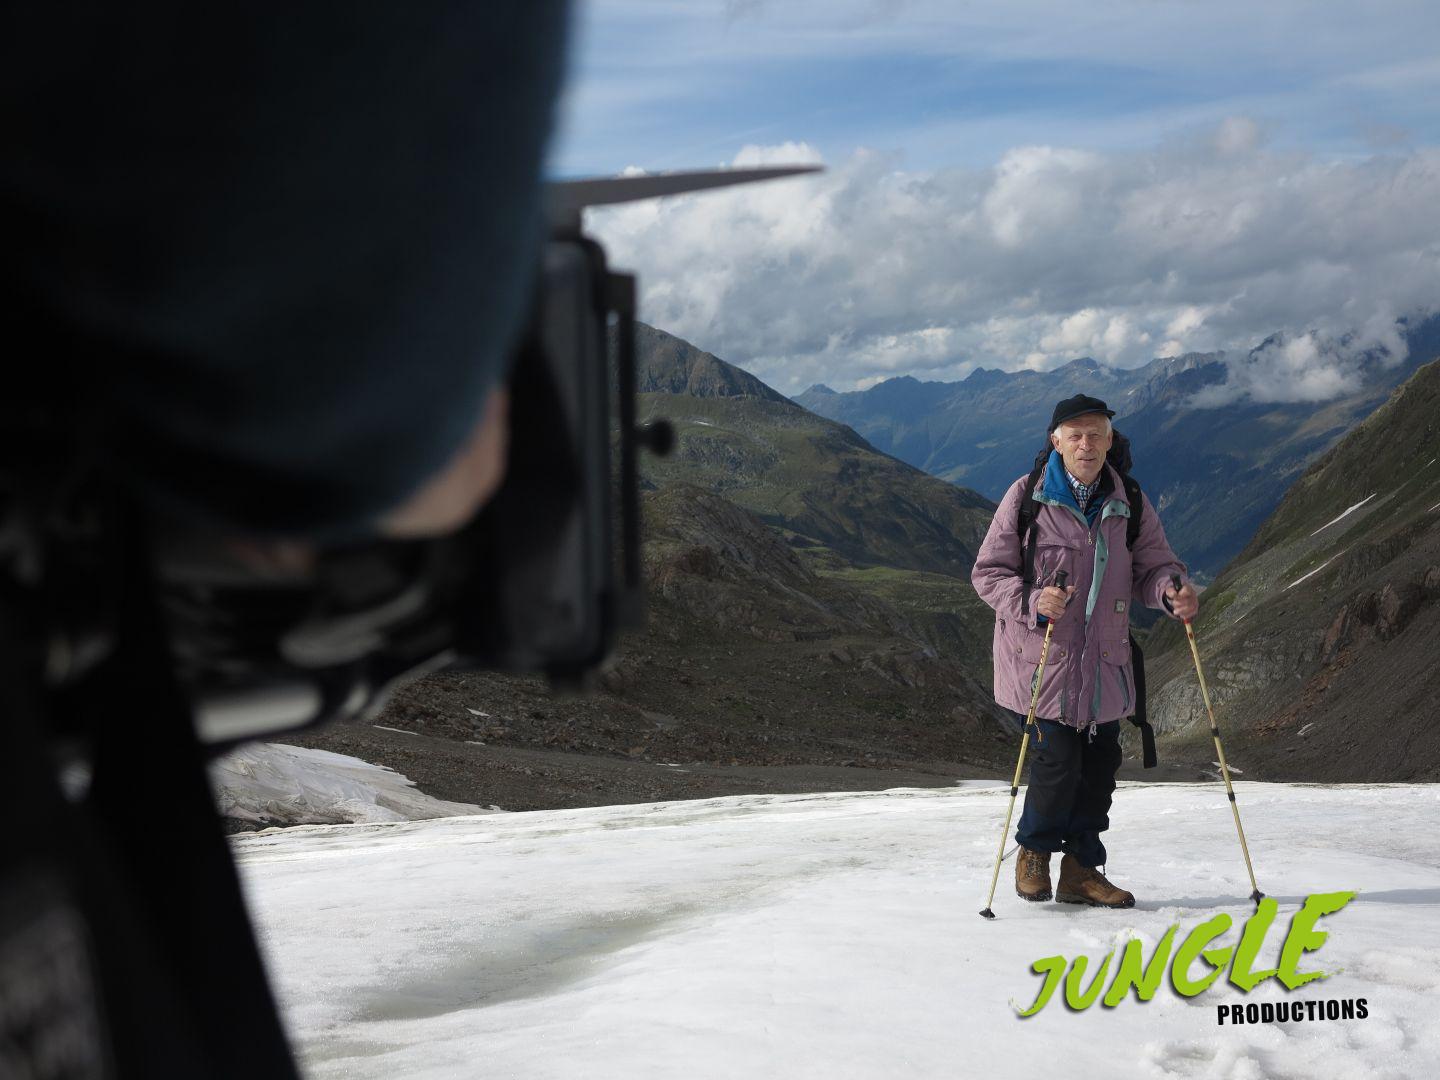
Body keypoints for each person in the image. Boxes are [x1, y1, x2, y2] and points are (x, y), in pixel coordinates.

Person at [971, 394, 1198, 908]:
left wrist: (1169, 590)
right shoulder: (1027, 496)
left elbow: (1154, 567)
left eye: (1096, 434)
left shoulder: (1130, 501)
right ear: (1056, 441)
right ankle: (1034, 853)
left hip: (1105, 665)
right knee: (1057, 765)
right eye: (1075, 434)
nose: (1086, 443)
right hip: (1045, 664)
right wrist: (1032, 600)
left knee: (1099, 770)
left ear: (1110, 441)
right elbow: (987, 574)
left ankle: (1081, 871)